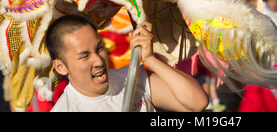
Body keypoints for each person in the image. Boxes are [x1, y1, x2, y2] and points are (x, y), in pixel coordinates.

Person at [47, 15, 208, 112]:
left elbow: (197, 103)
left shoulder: (130, 77)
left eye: (99, 48)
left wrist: (150, 59)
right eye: (85, 56)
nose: (98, 60)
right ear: (60, 67)